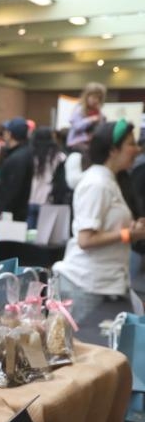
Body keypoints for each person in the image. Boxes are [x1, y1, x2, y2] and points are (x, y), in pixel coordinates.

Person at [53, 119, 145, 326]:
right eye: (131, 144)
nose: (137, 149)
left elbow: (106, 229)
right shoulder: (97, 183)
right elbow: (86, 240)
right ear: (113, 150)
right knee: (81, 345)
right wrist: (128, 234)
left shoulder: (110, 181)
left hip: (103, 283)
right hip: (85, 284)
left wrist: (132, 230)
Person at [0, 117, 34, 223]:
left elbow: (11, 189)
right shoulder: (22, 153)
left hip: (11, 216)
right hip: (16, 213)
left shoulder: (17, 158)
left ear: (10, 134)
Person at [27, 127, 66, 228]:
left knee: (29, 232)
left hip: (30, 197)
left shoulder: (30, 155)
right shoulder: (59, 156)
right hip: (48, 200)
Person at [67, 82, 106, 150]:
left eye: (99, 98)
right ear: (86, 96)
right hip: (77, 142)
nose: (96, 100)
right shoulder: (79, 109)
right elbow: (77, 127)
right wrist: (90, 120)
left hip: (92, 142)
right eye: (94, 97)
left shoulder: (98, 112)